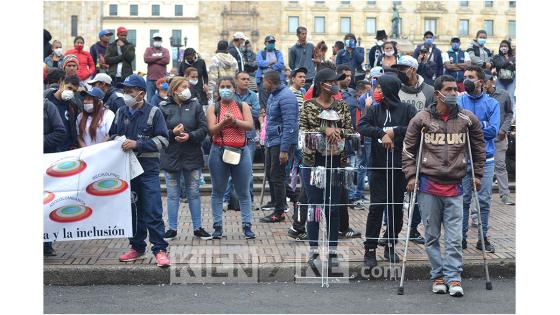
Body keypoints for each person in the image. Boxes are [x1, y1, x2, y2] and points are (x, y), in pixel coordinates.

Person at [402, 74, 486, 297]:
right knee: (431, 236)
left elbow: (478, 148)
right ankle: (437, 275)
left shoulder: (467, 120)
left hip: (455, 186)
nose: (453, 94)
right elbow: (408, 150)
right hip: (428, 185)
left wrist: (477, 174)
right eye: (448, 90)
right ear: (437, 93)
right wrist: (411, 176)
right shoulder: (422, 119)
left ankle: (454, 277)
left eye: (454, 89)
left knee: (454, 235)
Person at [110, 74, 170, 268]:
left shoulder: (154, 112)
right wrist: (116, 140)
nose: (125, 94)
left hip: (148, 170)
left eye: (130, 90)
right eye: (124, 90)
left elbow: (164, 140)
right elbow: (112, 135)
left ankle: (160, 249)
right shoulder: (120, 112)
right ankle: (137, 247)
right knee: (133, 211)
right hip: (128, 170)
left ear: (141, 93)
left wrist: (138, 144)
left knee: (152, 210)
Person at [358, 75, 417, 267]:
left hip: (400, 168)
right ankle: (370, 249)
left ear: (389, 90)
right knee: (376, 208)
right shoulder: (374, 110)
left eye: (380, 88)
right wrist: (382, 133)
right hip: (378, 167)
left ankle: (390, 245)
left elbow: (415, 127)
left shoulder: (407, 109)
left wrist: (394, 132)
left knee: (395, 208)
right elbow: (362, 126)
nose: (376, 92)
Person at [299, 68, 354, 267]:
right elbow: (303, 130)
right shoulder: (308, 106)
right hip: (313, 162)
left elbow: (350, 130)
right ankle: (313, 251)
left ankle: (332, 252)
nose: (337, 85)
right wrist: (325, 129)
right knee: (314, 206)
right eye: (334, 81)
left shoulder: (342, 106)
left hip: (336, 161)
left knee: (333, 208)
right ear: (323, 84)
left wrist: (337, 130)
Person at [159, 77, 211, 240]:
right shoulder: (162, 107)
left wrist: (190, 136)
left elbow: (204, 129)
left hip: (192, 155)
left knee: (194, 193)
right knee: (173, 194)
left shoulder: (195, 106)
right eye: (184, 86)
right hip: (171, 157)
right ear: (175, 90)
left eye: (187, 86)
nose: (187, 89)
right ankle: (172, 229)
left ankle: (198, 228)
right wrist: (172, 134)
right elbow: (158, 132)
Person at [390, 55, 433, 244]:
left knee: (418, 190)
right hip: (398, 144)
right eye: (397, 68)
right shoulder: (395, 90)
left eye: (403, 68)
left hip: (422, 147)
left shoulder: (429, 91)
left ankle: (414, 228)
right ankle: (390, 228)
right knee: (395, 190)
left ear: (413, 69)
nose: (399, 72)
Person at [206, 76, 256, 239]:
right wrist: (223, 123)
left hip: (241, 151)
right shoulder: (214, 108)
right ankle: (218, 226)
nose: (225, 89)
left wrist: (234, 121)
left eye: (229, 86)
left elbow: (249, 125)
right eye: (222, 86)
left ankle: (247, 225)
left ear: (234, 89)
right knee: (218, 190)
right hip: (219, 151)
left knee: (243, 191)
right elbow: (212, 130)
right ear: (218, 89)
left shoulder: (243, 106)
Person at [457, 65, 500, 253]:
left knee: (483, 201)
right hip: (462, 158)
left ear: (480, 81)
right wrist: (481, 125)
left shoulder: (492, 104)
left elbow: (493, 131)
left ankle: (483, 238)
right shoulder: (458, 101)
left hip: (486, 159)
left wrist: (471, 127)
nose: (466, 80)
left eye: (471, 77)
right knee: (463, 200)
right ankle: (462, 238)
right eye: (465, 76)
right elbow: (456, 128)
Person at [259, 70, 299, 223]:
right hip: (271, 140)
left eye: (264, 81)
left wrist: (284, 149)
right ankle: (295, 198)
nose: (263, 84)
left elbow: (290, 124)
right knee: (272, 175)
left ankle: (280, 211)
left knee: (277, 176)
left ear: (270, 81)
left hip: (281, 142)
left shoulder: (286, 96)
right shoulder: (273, 95)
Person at [222, 71, 261, 210]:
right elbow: (226, 112)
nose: (246, 81)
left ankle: (249, 201)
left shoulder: (253, 95)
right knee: (230, 170)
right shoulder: (230, 95)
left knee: (247, 171)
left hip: (249, 138)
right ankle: (225, 200)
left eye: (247, 79)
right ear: (236, 81)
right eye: (243, 79)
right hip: (232, 137)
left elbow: (256, 113)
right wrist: (246, 111)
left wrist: (242, 110)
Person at [43, 93, 67, 257]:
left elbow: (60, 132)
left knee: (45, 203)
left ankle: (46, 243)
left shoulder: (47, 106)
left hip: (45, 163)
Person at [484, 76, 514, 205]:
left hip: (499, 137)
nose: (484, 85)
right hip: (483, 138)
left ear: (492, 81)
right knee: (482, 168)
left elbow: (509, 113)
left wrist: (504, 129)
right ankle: (484, 197)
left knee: (500, 165)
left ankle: (505, 195)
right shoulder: (480, 96)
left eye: (485, 82)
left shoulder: (504, 94)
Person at [44, 75, 81, 152]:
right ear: (61, 84)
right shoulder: (46, 103)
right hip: (49, 150)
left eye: (74, 91)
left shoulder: (72, 106)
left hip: (65, 150)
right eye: (69, 88)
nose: (71, 92)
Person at [256, 35, 285, 109]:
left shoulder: (278, 53)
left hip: (276, 82)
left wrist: (270, 66)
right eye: (270, 42)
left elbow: (281, 64)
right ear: (265, 43)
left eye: (273, 42)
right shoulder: (261, 53)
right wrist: (271, 62)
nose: (272, 44)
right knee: (264, 104)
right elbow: (259, 63)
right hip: (263, 81)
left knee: (276, 101)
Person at [144, 33, 170, 102]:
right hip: (150, 79)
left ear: (161, 40)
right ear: (153, 40)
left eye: (159, 39)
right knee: (150, 99)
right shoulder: (148, 49)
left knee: (163, 98)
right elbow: (146, 59)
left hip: (162, 79)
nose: (157, 41)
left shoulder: (165, 50)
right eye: (156, 39)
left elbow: (166, 60)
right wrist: (159, 57)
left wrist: (152, 59)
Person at [491, 40, 516, 112]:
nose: (503, 48)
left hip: (511, 81)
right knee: (499, 97)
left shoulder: (513, 57)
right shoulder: (496, 56)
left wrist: (505, 65)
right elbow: (498, 64)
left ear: (508, 48)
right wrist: (509, 63)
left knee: (510, 97)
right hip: (500, 81)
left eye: (505, 46)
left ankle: (512, 115)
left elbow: (513, 67)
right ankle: (499, 114)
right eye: (501, 46)